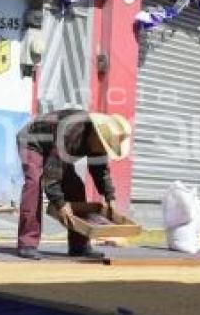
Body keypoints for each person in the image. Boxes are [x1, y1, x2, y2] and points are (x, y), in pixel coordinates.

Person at [15, 109, 132, 260]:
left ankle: (79, 245)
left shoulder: (100, 141)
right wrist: (60, 204)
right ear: (96, 134)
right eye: (103, 145)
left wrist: (110, 197)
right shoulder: (71, 131)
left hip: (56, 150)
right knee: (34, 184)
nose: (103, 151)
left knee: (76, 188)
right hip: (32, 141)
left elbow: (100, 171)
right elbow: (51, 175)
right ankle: (27, 244)